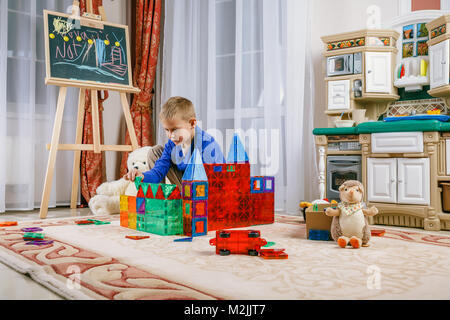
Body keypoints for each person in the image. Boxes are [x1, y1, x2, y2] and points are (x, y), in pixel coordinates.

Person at [124, 96, 225, 188]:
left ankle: (184, 201)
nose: (170, 135)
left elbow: (216, 183)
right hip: (186, 187)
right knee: (155, 152)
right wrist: (143, 176)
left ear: (192, 123)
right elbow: (158, 172)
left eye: (175, 129)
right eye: (167, 130)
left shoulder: (207, 144)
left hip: (206, 190)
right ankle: (161, 198)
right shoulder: (172, 143)